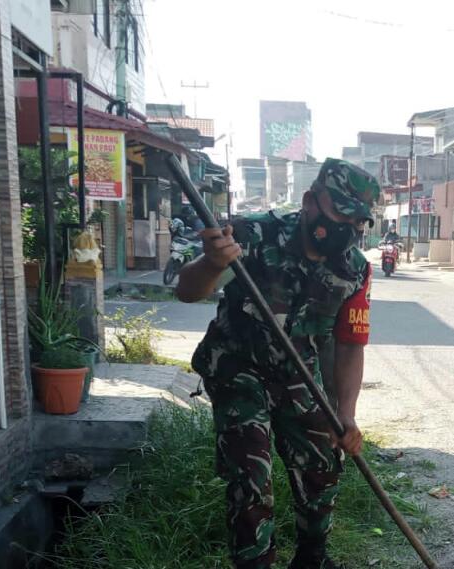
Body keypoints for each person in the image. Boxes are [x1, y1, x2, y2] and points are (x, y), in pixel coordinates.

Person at [174, 158, 379, 569]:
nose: (347, 227)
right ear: (309, 202)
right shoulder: (252, 234)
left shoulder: (354, 269)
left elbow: (349, 346)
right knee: (252, 477)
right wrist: (213, 262)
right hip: (238, 367)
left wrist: (346, 415)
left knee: (323, 463)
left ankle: (312, 560)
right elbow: (187, 291)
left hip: (296, 372)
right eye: (339, 212)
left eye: (357, 220)